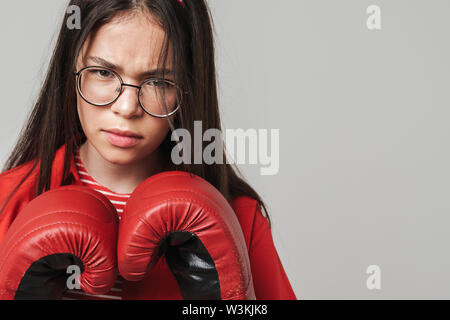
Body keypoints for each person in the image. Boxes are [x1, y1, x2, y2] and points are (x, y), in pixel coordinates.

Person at [0, 0, 296, 300]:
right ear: (73, 66)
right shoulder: (6, 201)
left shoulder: (240, 220)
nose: (127, 108)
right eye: (103, 72)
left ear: (187, 86)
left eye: (158, 82)